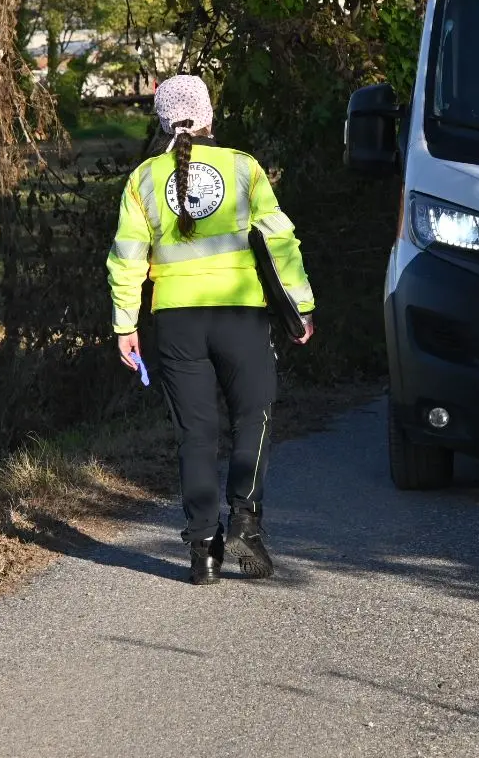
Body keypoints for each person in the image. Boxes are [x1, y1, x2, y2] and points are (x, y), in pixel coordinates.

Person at [106, 75, 315, 585]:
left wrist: (124, 322)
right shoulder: (243, 167)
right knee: (253, 417)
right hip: (240, 314)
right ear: (209, 115)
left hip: (177, 322)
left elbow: (127, 257)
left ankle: (202, 551)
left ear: (160, 121)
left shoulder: (142, 179)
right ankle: (245, 520)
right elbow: (280, 241)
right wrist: (302, 306)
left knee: (195, 436)